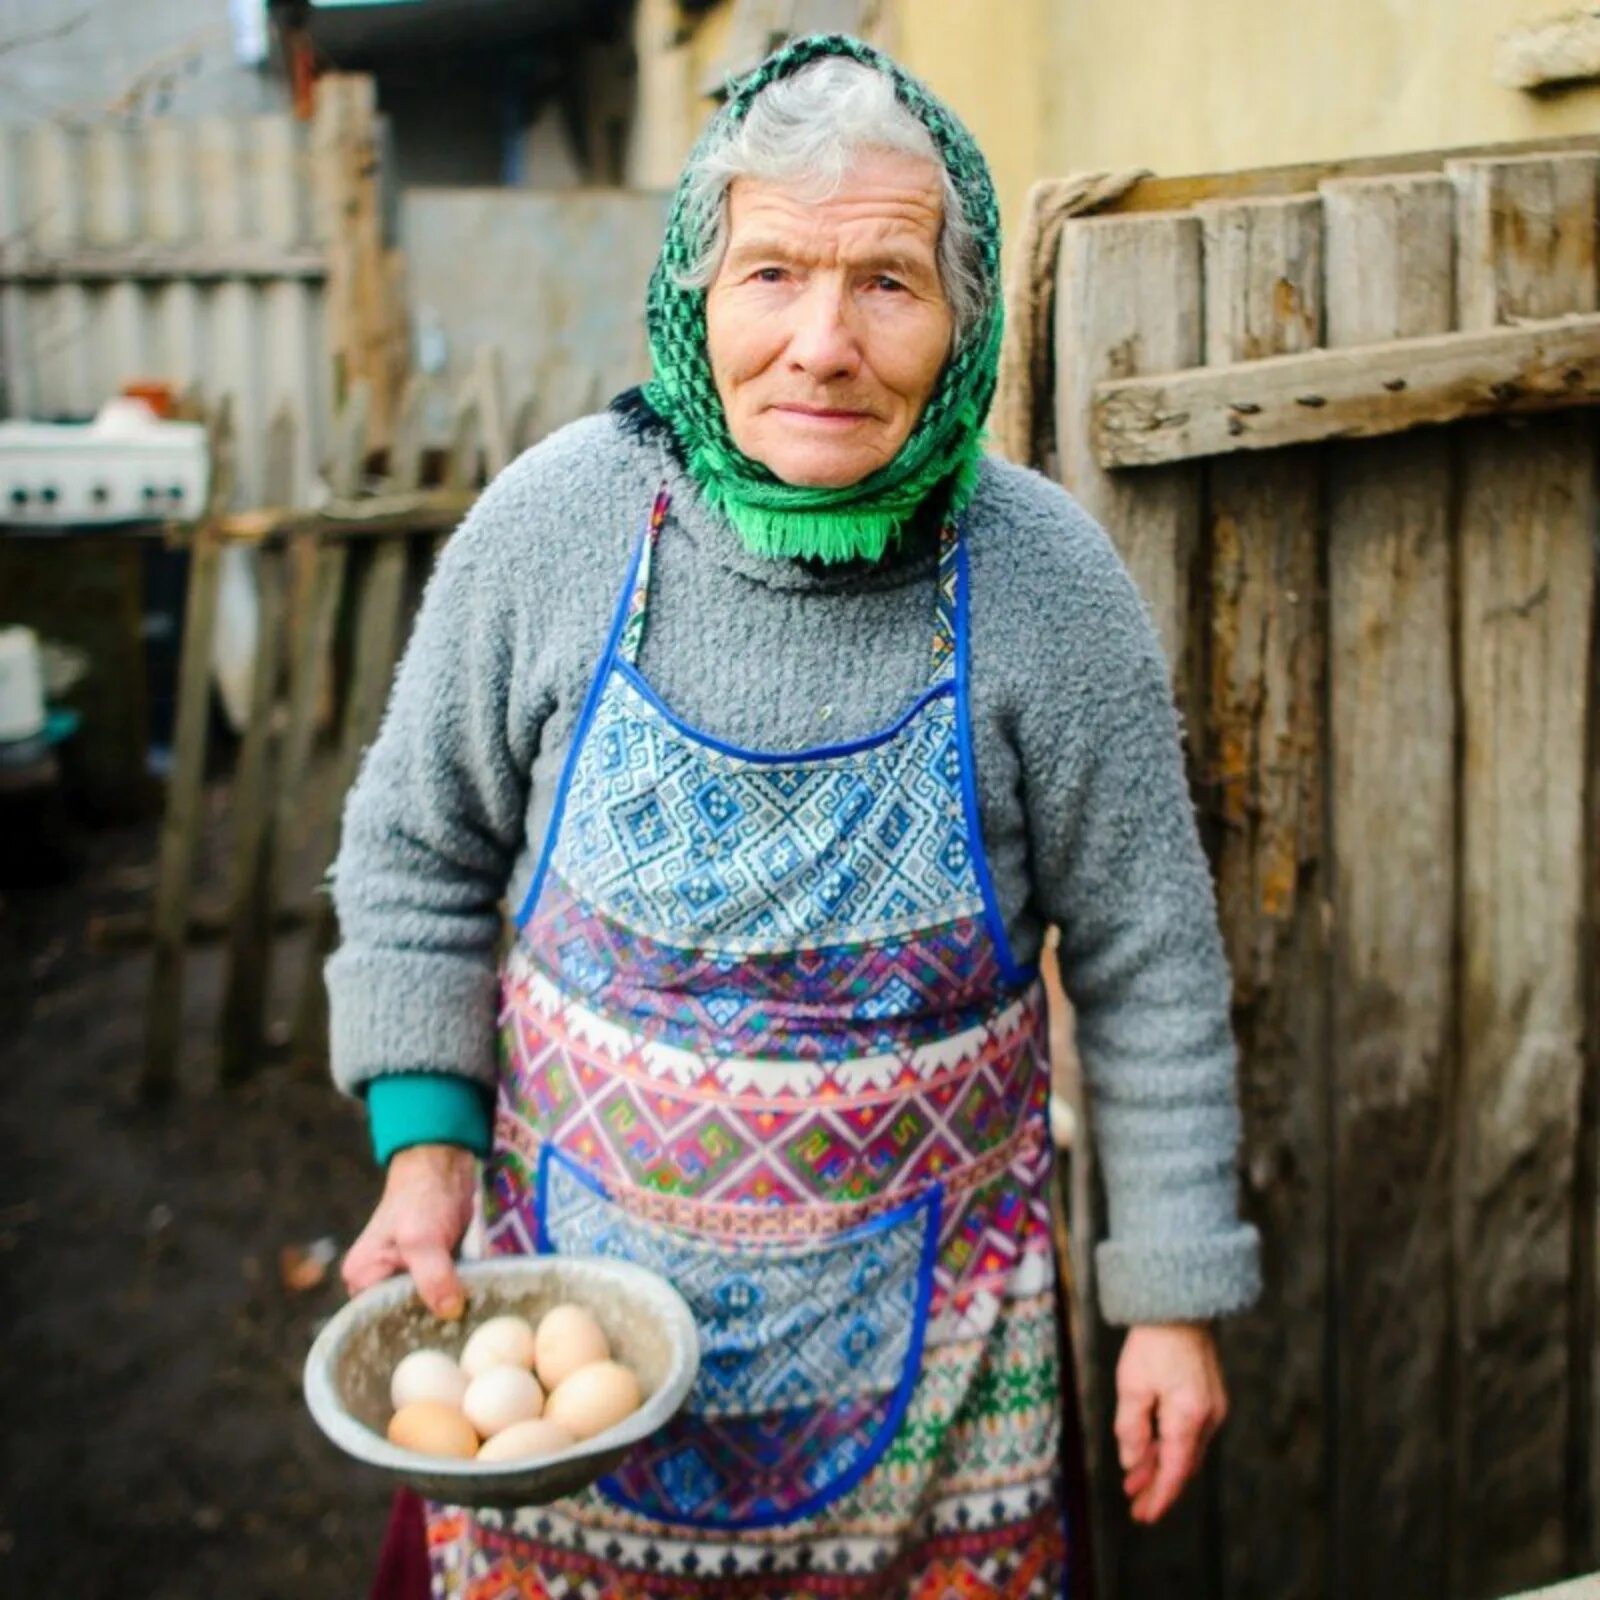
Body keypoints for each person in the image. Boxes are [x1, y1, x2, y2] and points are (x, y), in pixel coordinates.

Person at [330, 33, 1260, 1599]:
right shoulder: (559, 526)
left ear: (965, 320)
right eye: (771, 274)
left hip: (936, 1385)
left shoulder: (1045, 586)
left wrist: (1170, 1298)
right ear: (696, 297)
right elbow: (418, 852)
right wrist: (424, 1150)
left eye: (888, 282)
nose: (822, 344)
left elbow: (1152, 966)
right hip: (567, 1354)